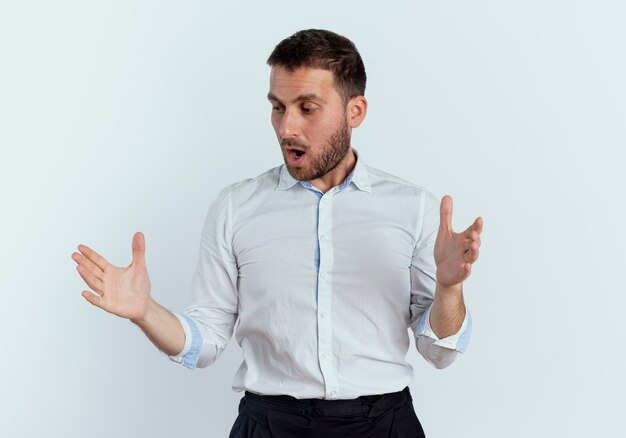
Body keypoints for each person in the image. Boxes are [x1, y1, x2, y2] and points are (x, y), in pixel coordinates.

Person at [72, 29, 483, 438]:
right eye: (277, 107)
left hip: (384, 424)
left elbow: (441, 352)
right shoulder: (235, 207)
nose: (287, 127)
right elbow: (206, 341)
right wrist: (145, 312)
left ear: (355, 111)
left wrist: (449, 288)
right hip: (268, 426)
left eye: (307, 108)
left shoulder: (414, 209)